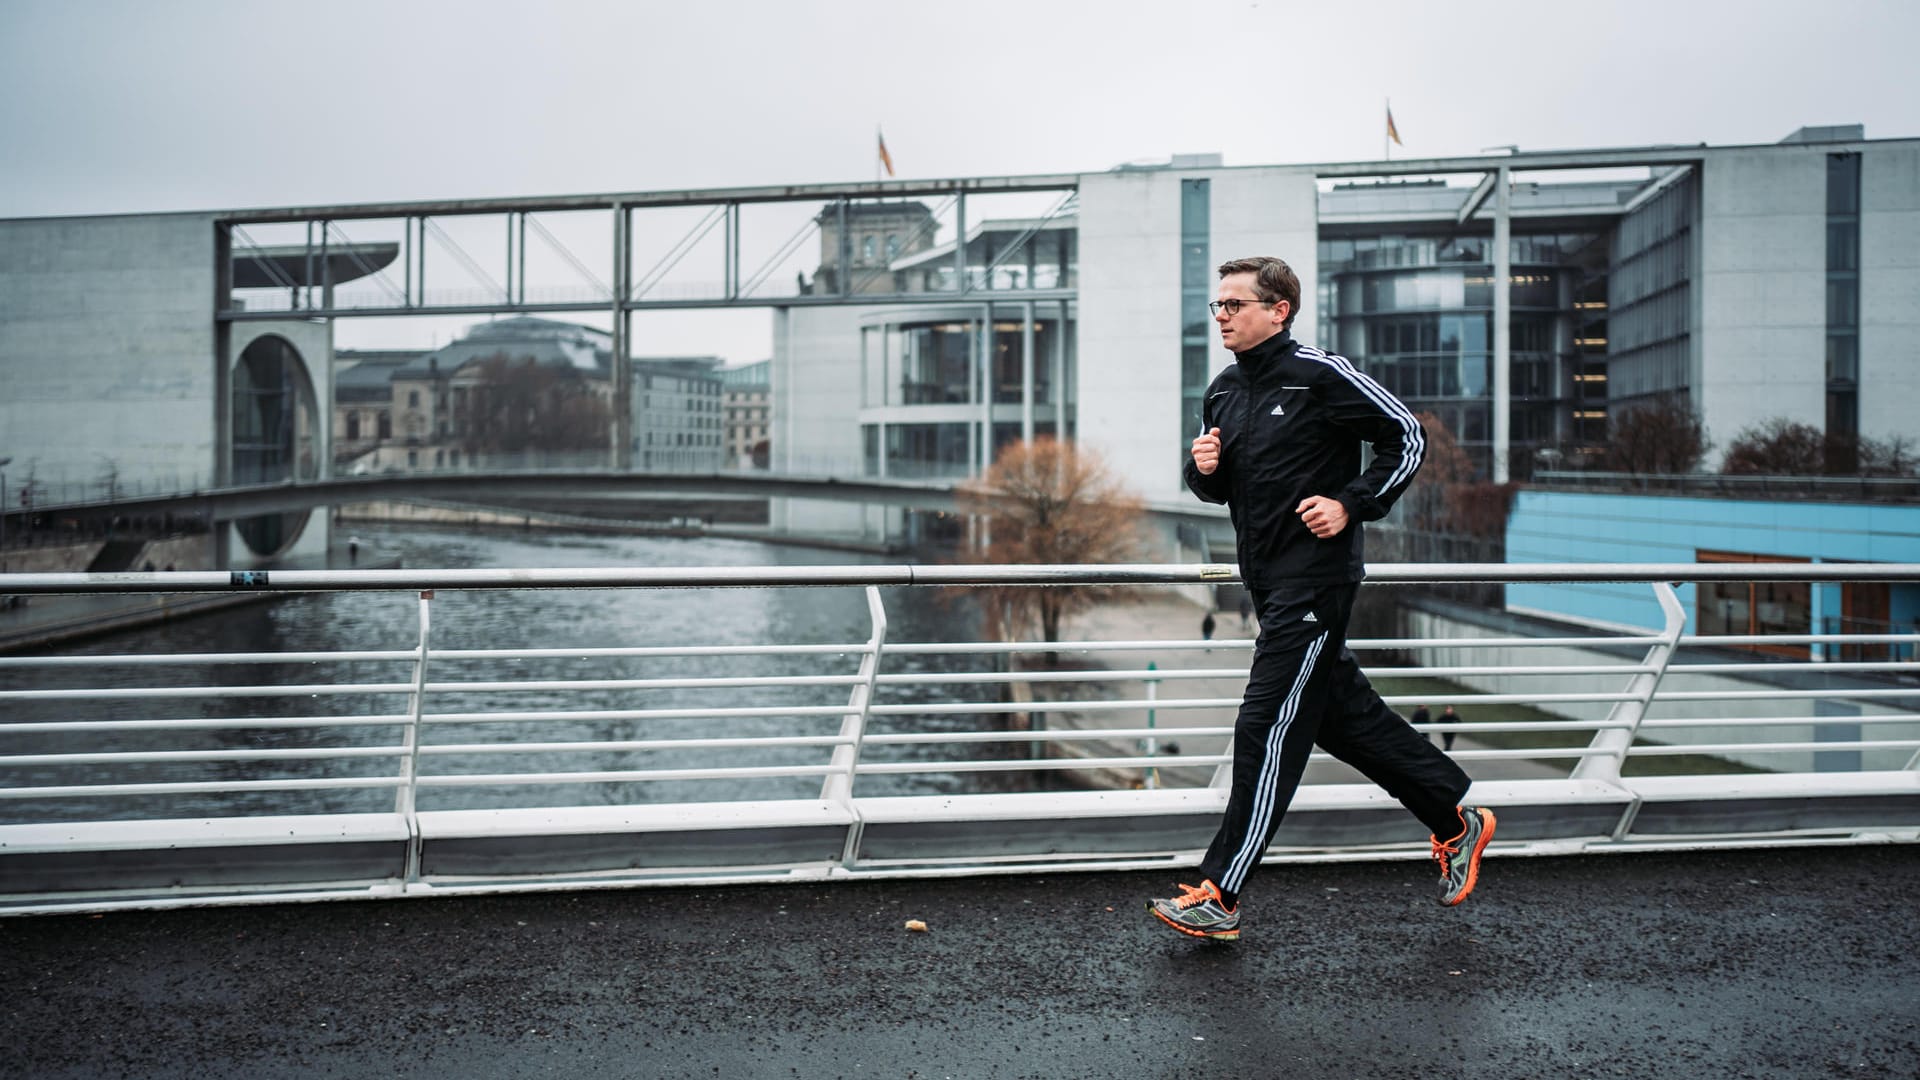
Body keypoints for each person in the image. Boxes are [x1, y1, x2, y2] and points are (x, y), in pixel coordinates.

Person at [1148, 256, 1495, 942]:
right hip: (1268, 584)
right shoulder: (1223, 391)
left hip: (1317, 582)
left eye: (1235, 304)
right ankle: (1456, 819)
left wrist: (1350, 503)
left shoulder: (1319, 374)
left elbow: (1408, 435)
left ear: (1278, 309)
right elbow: (1223, 489)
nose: (1221, 314)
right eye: (1217, 305)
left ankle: (1221, 891)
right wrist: (1202, 470)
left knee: (1265, 723)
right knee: (1341, 719)